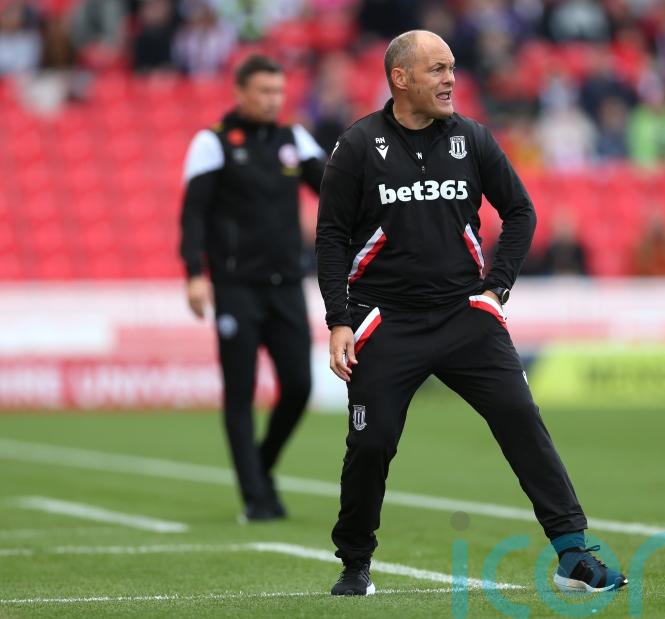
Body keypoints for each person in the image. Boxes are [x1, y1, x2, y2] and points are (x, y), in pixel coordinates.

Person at [316, 30, 627, 596]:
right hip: (385, 320)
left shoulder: (473, 138)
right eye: (436, 69)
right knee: (372, 443)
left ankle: (572, 554)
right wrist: (339, 318)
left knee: (521, 418)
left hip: (465, 315)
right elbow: (331, 236)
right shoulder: (358, 145)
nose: (450, 79)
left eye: (452, 68)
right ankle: (355, 562)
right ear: (400, 78)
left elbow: (521, 212)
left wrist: (496, 289)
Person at [179, 54, 326, 522]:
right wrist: (194, 273)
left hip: (286, 284)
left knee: (299, 385)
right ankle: (257, 497)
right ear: (240, 92)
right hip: (236, 286)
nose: (272, 100)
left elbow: (335, 191)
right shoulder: (213, 142)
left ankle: (260, 467)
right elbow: (193, 214)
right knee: (240, 391)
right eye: (263, 91)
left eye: (278, 92)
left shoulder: (293, 140)